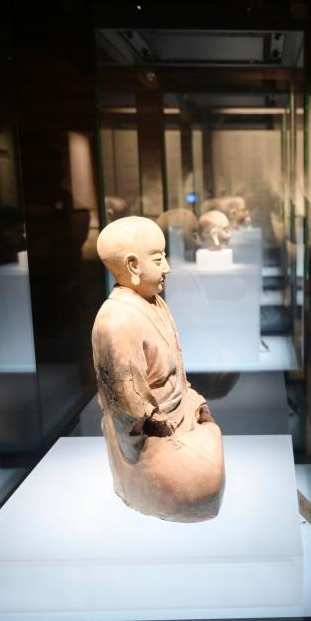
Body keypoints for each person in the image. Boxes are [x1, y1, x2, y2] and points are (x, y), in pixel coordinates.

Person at [93, 216, 225, 522]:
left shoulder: (154, 303)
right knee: (203, 489)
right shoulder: (117, 321)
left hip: (179, 418)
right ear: (132, 265)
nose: (167, 267)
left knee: (210, 463)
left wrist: (192, 403)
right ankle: (142, 487)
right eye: (158, 259)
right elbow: (130, 410)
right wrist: (167, 437)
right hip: (149, 439)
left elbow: (177, 373)